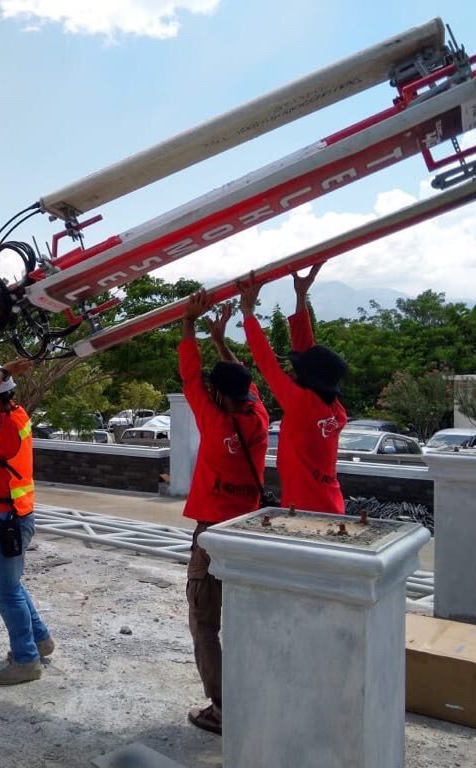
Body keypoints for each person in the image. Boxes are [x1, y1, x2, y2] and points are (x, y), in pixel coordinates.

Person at [178, 293, 270, 735]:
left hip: (213, 535)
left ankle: (223, 708)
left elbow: (190, 374)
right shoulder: (259, 416)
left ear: (217, 395)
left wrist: (187, 323)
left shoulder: (213, 422)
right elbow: (239, 381)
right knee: (244, 619)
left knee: (204, 623)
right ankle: (254, 694)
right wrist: (219, 339)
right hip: (248, 530)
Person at [0, 314, 54, 686]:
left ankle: (26, 660)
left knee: (3, 591)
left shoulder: (3, 426)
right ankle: (39, 640)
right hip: (9, 516)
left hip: (5, 520)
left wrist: (3, 369)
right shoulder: (9, 412)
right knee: (12, 586)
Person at [238, 267, 348, 514]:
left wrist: (247, 312)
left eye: (295, 370)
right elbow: (308, 354)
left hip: (307, 512)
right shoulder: (333, 408)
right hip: (330, 505)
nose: (290, 372)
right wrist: (301, 296)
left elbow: (267, 363)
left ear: (308, 379)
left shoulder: (302, 404)